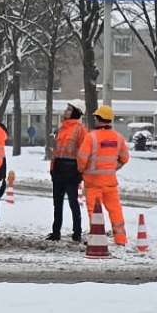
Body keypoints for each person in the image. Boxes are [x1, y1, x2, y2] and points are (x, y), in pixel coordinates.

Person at [76, 103, 131, 245]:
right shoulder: (118, 138)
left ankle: (97, 237)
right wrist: (112, 168)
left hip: (93, 182)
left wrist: (82, 171)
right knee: (115, 210)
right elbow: (124, 158)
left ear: (98, 119)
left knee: (95, 212)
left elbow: (82, 159)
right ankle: (121, 239)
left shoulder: (91, 137)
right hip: (110, 182)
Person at [47, 103, 86, 241]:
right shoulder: (61, 128)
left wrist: (80, 171)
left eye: (69, 109)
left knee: (73, 203)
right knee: (57, 203)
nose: (66, 111)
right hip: (58, 169)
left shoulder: (80, 130)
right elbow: (56, 150)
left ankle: (77, 232)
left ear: (76, 112)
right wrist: (52, 167)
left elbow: (83, 152)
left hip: (71, 170)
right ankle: (55, 232)